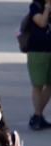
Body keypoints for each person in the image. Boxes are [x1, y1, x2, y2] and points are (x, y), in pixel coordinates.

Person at [25, 0, 51, 130]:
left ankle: (38, 116)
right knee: (38, 84)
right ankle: (37, 116)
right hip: (38, 50)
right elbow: (41, 22)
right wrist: (47, 6)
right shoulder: (36, 6)